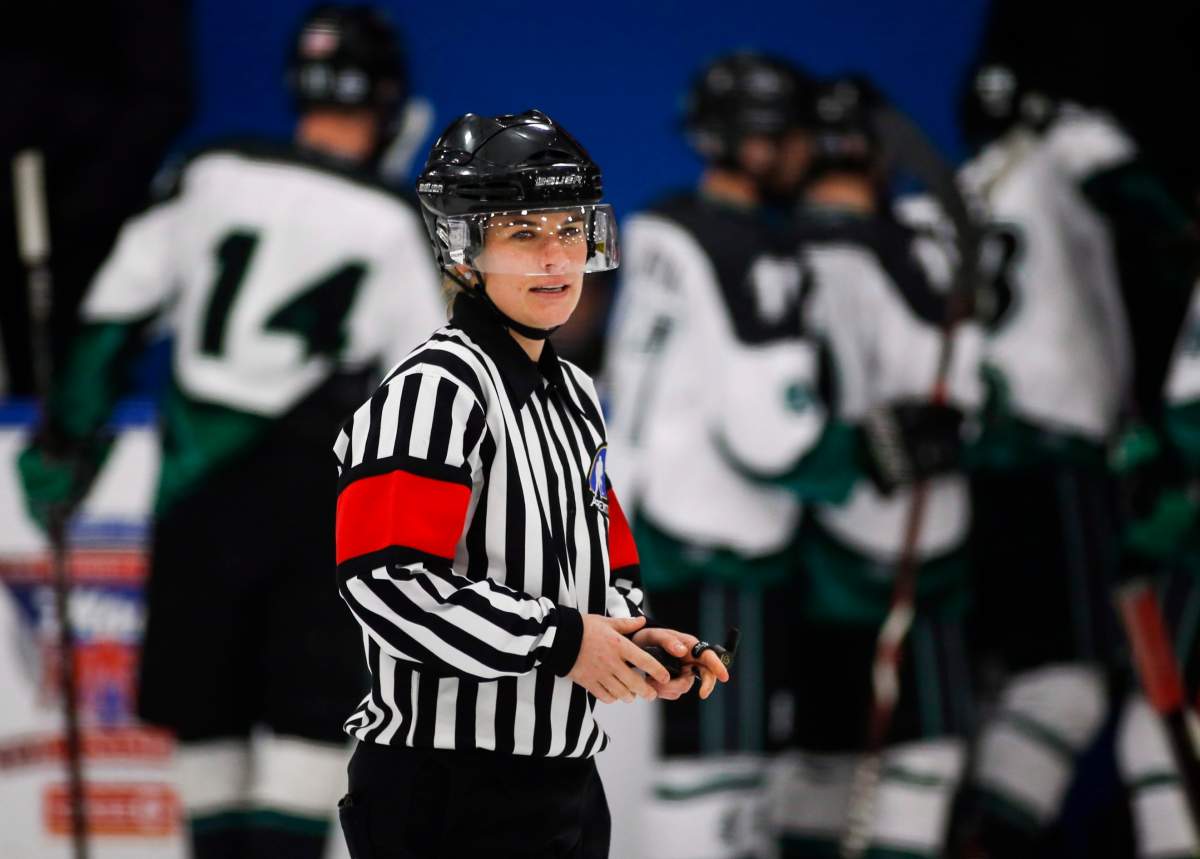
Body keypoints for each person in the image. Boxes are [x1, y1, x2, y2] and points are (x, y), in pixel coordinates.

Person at [16, 6, 443, 858]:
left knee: (204, 730)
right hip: (316, 503)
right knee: (307, 734)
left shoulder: (213, 171)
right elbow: (430, 396)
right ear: (388, 99)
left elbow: (112, 316)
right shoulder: (393, 223)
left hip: (196, 495)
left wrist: (64, 439)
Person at [333, 108, 731, 859]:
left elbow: (601, 562)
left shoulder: (576, 394)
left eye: (571, 229)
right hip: (446, 787)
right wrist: (559, 638)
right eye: (523, 233)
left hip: (567, 779)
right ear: (462, 250)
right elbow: (385, 581)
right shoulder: (434, 390)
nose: (556, 258)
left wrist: (634, 639)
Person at [717, 76, 982, 859]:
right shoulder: (881, 253)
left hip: (845, 552)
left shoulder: (793, 248)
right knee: (901, 758)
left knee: (836, 761)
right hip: (871, 548)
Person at [951, 49, 1200, 855]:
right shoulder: (1067, 141)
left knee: (1029, 681)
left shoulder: (955, 192)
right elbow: (1157, 218)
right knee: (1084, 684)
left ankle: (981, 827)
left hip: (979, 464)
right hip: (1063, 458)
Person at [601, 51, 816, 857]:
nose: (805, 152)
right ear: (757, 142)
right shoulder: (750, 251)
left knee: (674, 764)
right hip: (721, 549)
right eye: (792, 134)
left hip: (642, 529)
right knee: (721, 779)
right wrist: (864, 451)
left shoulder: (660, 220)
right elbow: (773, 434)